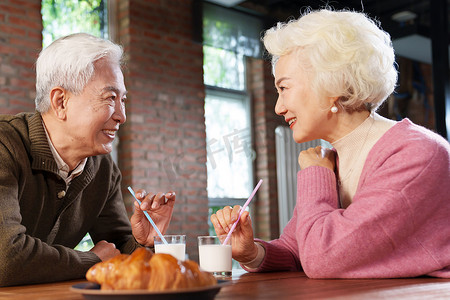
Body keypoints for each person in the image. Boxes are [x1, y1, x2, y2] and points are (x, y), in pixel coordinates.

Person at [211, 8, 450, 278]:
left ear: (331, 84)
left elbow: (323, 257)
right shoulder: (333, 160)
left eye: (284, 88)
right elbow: (298, 247)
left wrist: (316, 174)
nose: (278, 107)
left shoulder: (415, 153)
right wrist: (252, 253)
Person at [0, 33, 175, 287]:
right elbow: (6, 260)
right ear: (61, 102)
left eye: (123, 100)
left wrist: (143, 241)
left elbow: (119, 254)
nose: (122, 116)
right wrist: (92, 260)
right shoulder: (5, 146)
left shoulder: (102, 168)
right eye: (110, 98)